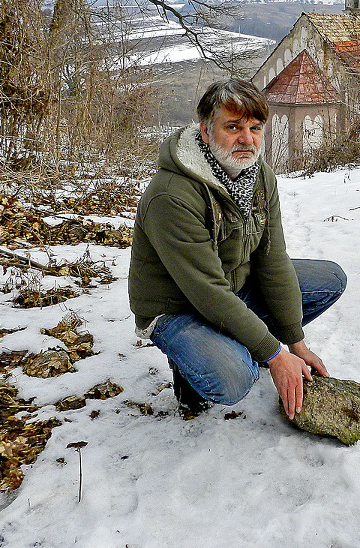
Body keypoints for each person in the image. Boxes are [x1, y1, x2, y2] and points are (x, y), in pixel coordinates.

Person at [128, 79, 346, 419]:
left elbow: (272, 260)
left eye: (255, 128)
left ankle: (239, 338)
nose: (247, 139)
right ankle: (191, 368)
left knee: (329, 278)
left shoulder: (258, 176)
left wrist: (295, 343)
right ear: (205, 131)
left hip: (233, 286)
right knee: (235, 380)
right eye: (233, 127)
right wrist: (273, 355)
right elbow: (206, 291)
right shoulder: (171, 196)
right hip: (178, 308)